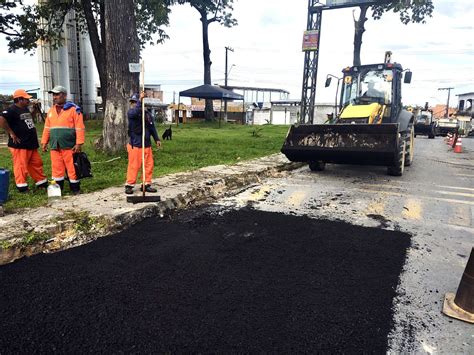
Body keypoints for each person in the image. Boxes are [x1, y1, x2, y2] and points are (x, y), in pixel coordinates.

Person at [0, 89, 48, 192]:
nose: (28, 101)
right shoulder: (11, 110)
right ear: (19, 99)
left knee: (36, 163)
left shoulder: (25, 109)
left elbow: (29, 118)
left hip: (30, 143)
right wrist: (11, 133)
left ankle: (41, 182)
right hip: (20, 144)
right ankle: (22, 186)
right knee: (21, 166)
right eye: (26, 99)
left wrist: (35, 110)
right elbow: (1, 120)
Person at [41, 85, 85, 195]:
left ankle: (75, 188)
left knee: (72, 168)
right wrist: (44, 142)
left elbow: (80, 127)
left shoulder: (74, 110)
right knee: (56, 169)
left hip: (69, 145)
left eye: (57, 94)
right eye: (53, 95)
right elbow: (47, 128)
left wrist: (79, 143)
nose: (54, 97)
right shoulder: (50, 111)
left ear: (64, 95)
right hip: (55, 145)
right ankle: (57, 190)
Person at [125, 92, 161, 195]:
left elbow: (152, 127)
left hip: (147, 145)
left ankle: (146, 184)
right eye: (132, 102)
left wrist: (156, 139)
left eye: (135, 102)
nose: (133, 104)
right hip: (135, 145)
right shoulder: (131, 113)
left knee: (149, 165)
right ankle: (129, 185)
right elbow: (136, 111)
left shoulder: (148, 115)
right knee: (134, 166)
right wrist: (140, 100)